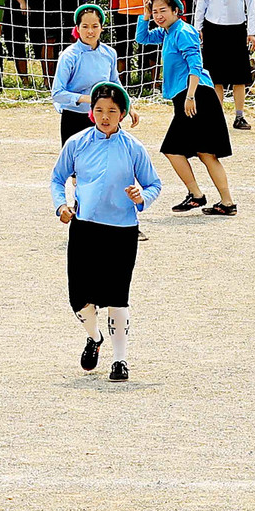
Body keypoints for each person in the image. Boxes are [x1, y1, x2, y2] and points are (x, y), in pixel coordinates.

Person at [52, 82, 161, 382]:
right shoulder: (76, 143)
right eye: (99, 110)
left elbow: (155, 184)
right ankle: (94, 336)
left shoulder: (134, 148)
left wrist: (141, 197)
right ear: (91, 112)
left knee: (117, 297)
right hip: (84, 228)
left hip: (122, 231)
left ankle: (120, 360)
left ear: (123, 114)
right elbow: (57, 178)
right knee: (79, 299)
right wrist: (61, 206)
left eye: (112, 110)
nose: (105, 116)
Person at [138, 0, 235, 217]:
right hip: (188, 96)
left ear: (176, 11)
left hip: (196, 95)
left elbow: (196, 65)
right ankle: (226, 202)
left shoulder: (183, 31)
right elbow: (141, 39)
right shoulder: (167, 32)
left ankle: (198, 195)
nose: (158, 15)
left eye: (163, 10)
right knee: (204, 153)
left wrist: (190, 96)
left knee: (174, 149)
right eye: (155, 12)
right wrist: (144, 15)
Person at [194, 0, 255, 128]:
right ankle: (217, 116)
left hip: (237, 30)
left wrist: (252, 32)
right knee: (216, 77)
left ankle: (239, 116)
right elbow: (201, 3)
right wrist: (198, 28)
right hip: (213, 30)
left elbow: (251, 5)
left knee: (239, 77)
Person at [50, 4, 128, 141]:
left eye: (95, 26)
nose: (90, 31)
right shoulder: (68, 56)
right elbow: (57, 94)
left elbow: (115, 83)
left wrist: (128, 106)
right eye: (85, 26)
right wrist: (88, 99)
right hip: (74, 117)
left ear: (102, 28)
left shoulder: (109, 53)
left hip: (105, 116)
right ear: (77, 29)